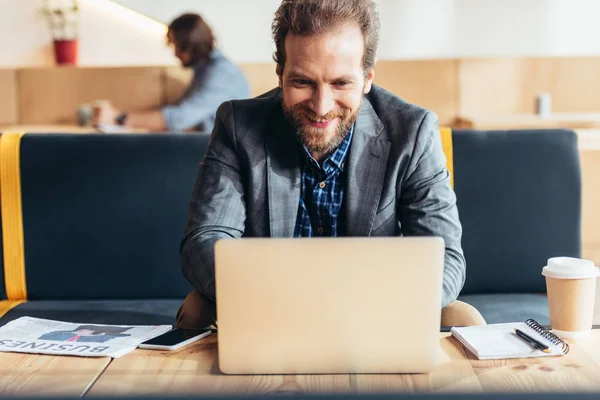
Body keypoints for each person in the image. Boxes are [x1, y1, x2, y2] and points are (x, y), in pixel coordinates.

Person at [177, 0, 485, 329]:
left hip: (375, 316)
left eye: (340, 83)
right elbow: (204, 241)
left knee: (463, 317)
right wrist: (290, 304)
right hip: (269, 313)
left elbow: (446, 259)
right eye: (302, 82)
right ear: (280, 74)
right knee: (196, 308)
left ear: (367, 78)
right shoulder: (238, 125)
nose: (321, 107)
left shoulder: (414, 131)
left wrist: (355, 311)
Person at [92, 13, 251, 132]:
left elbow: (178, 118)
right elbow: (177, 111)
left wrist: (118, 118)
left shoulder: (222, 73)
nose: (174, 53)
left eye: (176, 46)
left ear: (190, 45)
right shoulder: (204, 70)